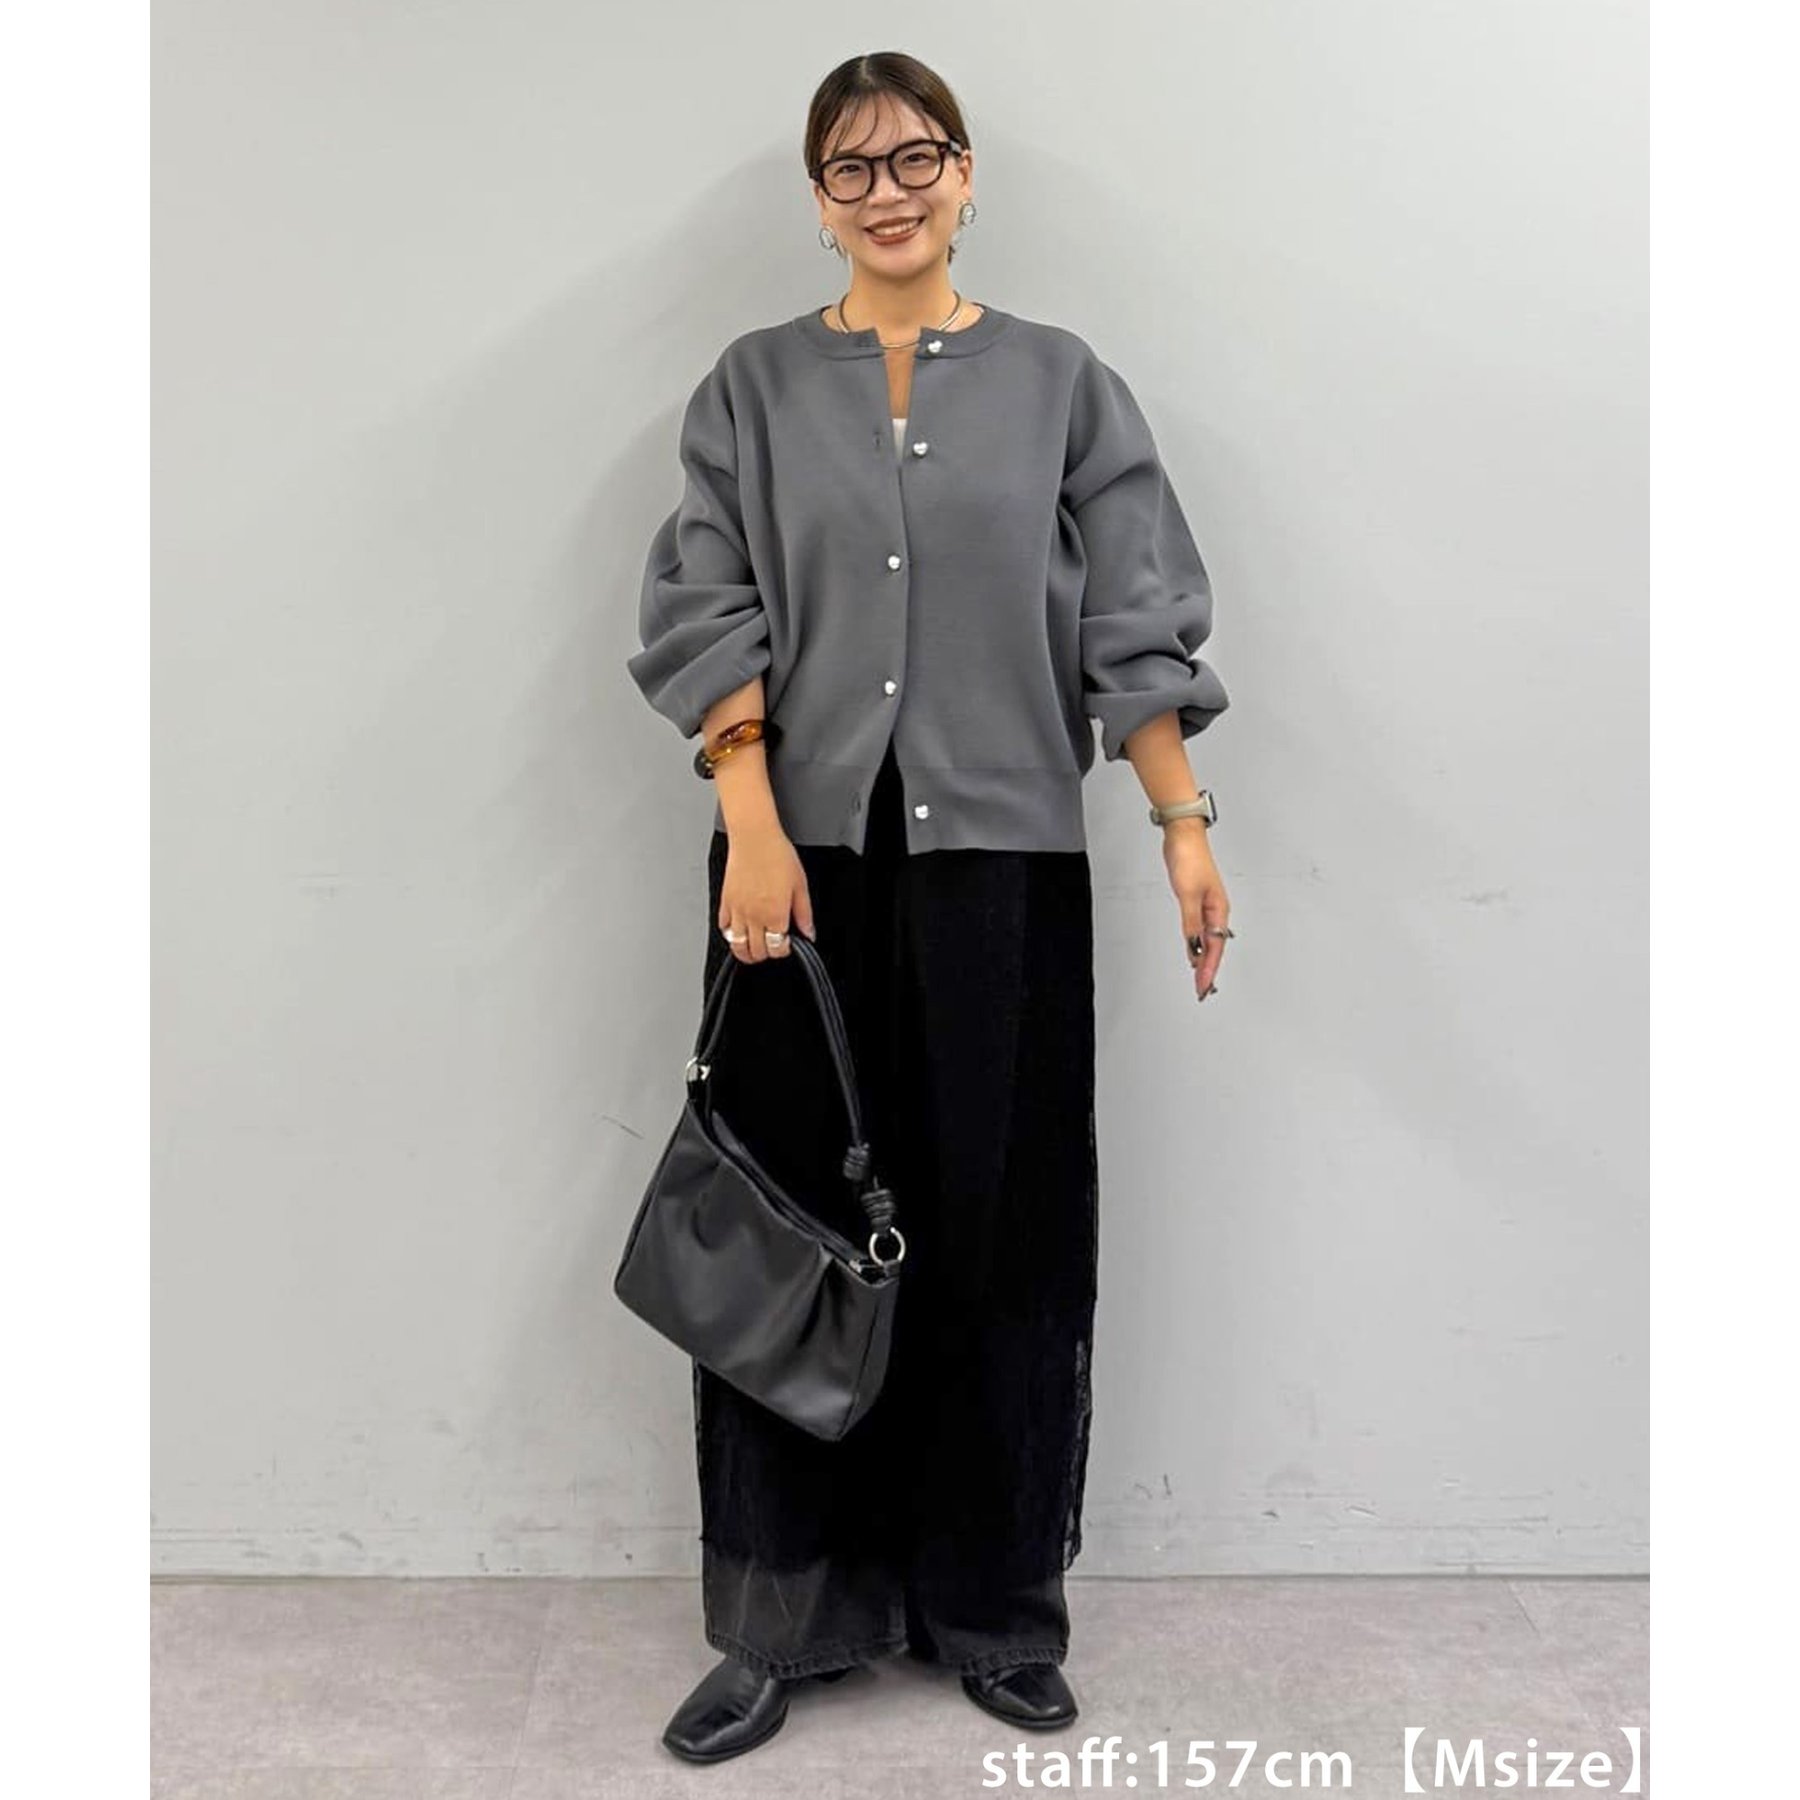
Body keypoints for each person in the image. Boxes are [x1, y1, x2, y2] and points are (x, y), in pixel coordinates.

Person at [625, 50, 1234, 1764]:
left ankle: (993, 1610)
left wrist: (1182, 825)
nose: (887, 191)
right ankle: (779, 1618)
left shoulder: (1061, 384)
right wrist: (753, 821)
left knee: (1001, 1229)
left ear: (967, 176)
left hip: (1005, 866)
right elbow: (706, 597)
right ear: (816, 197)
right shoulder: (752, 388)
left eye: (917, 158)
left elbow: (1131, 613)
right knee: (792, 1232)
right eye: (852, 166)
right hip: (793, 864)